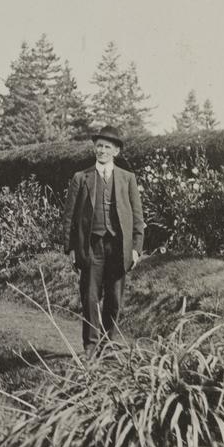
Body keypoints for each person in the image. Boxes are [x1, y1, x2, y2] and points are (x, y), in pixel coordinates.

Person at [62, 125, 145, 356]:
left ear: (116, 151)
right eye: (99, 146)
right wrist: (70, 248)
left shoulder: (127, 178)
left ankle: (109, 342)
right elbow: (69, 216)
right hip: (91, 246)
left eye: (107, 147)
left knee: (114, 297)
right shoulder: (81, 178)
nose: (102, 150)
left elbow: (138, 218)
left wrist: (136, 249)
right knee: (89, 295)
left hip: (119, 247)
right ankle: (90, 344)